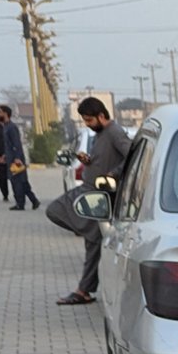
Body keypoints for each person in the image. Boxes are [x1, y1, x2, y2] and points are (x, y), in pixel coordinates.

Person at [59, 96, 132, 307]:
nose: (88, 124)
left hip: (102, 196)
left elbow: (131, 156)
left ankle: (84, 290)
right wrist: (88, 160)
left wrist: (113, 174)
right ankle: (84, 290)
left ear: (101, 115)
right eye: (85, 120)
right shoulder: (100, 135)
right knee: (91, 243)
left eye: (90, 120)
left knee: (58, 210)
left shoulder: (114, 132)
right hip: (91, 193)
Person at [0, 107, 40, 211]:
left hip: (16, 160)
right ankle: (33, 200)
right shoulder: (6, 127)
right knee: (22, 181)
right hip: (10, 158)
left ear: (5, 113)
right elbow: (9, 144)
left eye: (0, 112)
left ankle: (20, 204)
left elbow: (16, 143)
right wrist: (5, 155)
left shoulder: (11, 127)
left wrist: (17, 157)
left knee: (17, 182)